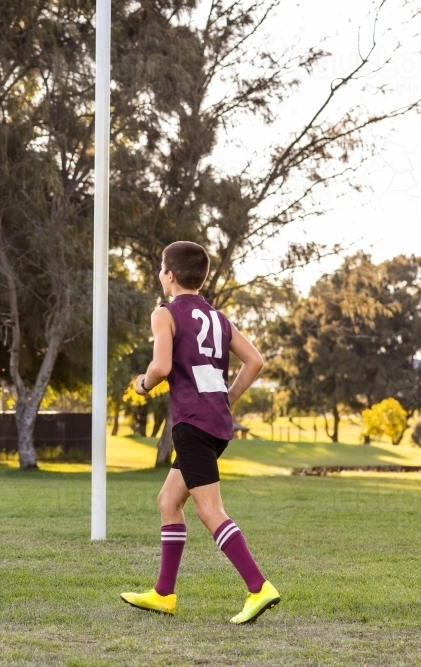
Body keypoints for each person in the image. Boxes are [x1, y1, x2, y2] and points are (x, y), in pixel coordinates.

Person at [120, 241, 280, 624]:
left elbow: (160, 367)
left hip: (192, 424)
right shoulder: (218, 317)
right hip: (215, 424)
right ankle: (163, 594)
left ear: (169, 275)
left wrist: (142, 384)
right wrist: (227, 398)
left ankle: (259, 588)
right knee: (168, 501)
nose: (160, 273)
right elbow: (255, 361)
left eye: (161, 267)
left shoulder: (165, 313)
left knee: (210, 510)